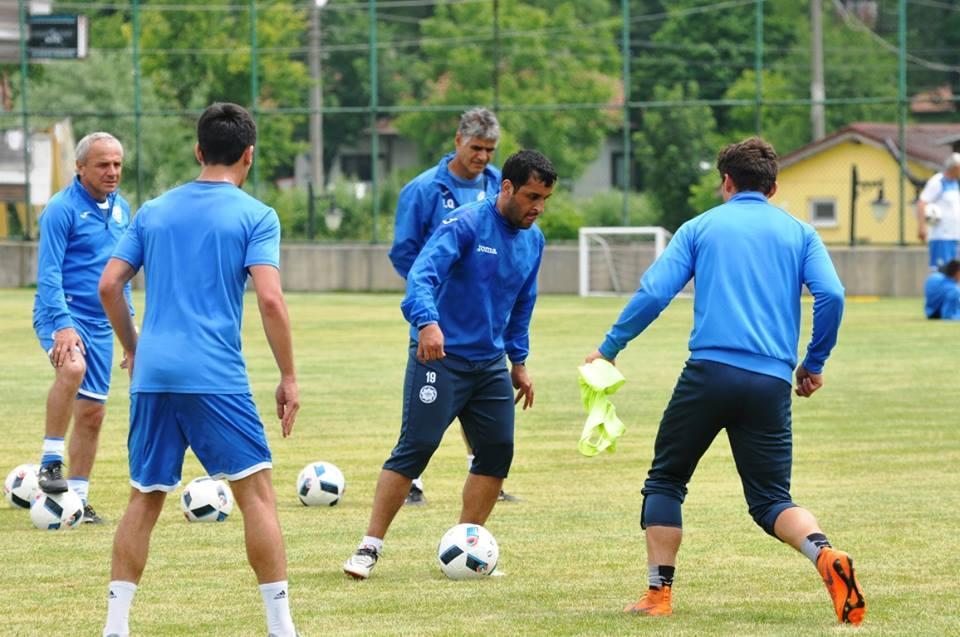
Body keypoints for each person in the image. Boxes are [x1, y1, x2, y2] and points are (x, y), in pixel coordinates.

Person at [585, 137, 865, 624]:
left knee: (666, 479)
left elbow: (654, 292)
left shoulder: (700, 227)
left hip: (709, 374)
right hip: (770, 382)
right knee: (772, 500)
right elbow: (832, 295)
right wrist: (813, 361)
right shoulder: (800, 234)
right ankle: (823, 553)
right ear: (774, 187)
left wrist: (609, 347)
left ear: (727, 182)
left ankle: (658, 596)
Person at [98, 103, 301, 637]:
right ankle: (282, 627)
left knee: (144, 498)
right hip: (215, 375)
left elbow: (109, 285)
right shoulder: (257, 215)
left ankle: (115, 626)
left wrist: (134, 347)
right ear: (249, 155)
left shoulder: (153, 211)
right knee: (256, 495)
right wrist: (288, 376)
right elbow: (271, 300)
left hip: (154, 376)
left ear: (198, 150)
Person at [344, 149, 557, 580]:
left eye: (545, 199)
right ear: (507, 188)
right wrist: (427, 323)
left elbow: (523, 303)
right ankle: (368, 547)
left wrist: (518, 361)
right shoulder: (465, 223)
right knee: (416, 447)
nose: (538, 207)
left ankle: (467, 547)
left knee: (496, 452)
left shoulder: (534, 241)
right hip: (440, 359)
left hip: (490, 365)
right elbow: (421, 276)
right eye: (532, 196)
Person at [388, 107, 518, 505]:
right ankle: (412, 480)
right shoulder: (423, 189)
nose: (482, 156)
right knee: (426, 404)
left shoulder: (498, 184)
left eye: (490, 149)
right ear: (458, 141)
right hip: (435, 320)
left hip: (481, 321)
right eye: (476, 147)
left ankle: (484, 473)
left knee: (479, 399)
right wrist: (432, 295)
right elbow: (404, 252)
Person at [32, 131, 132, 525]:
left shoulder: (123, 209)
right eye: (103, 164)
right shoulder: (61, 209)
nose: (112, 171)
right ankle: (50, 461)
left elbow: (122, 277)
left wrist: (129, 334)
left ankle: (78, 501)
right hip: (63, 314)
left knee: (92, 414)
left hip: (102, 322)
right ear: (80, 167)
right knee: (72, 368)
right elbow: (48, 273)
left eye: (117, 164)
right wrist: (62, 326)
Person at [916, 153, 960, 270]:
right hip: (941, 236)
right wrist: (922, 227)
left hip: (955, 236)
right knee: (942, 270)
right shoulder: (938, 181)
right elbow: (922, 203)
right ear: (955, 167)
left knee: (955, 272)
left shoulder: (955, 183)